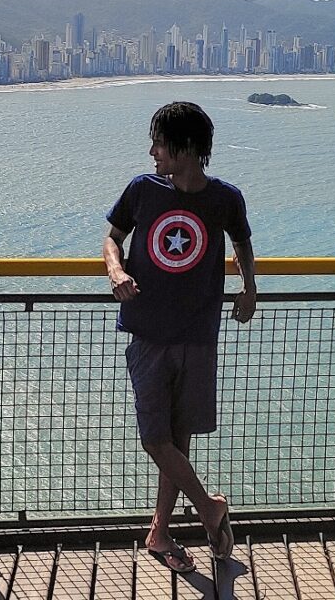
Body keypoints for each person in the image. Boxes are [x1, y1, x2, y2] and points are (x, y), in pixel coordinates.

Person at [103, 101, 257, 574]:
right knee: (155, 438)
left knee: (178, 436)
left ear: (187, 148)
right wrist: (115, 270)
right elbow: (112, 238)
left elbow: (243, 241)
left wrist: (250, 287)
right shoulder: (141, 190)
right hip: (147, 332)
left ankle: (160, 533)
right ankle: (210, 508)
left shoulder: (225, 199)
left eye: (160, 144)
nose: (153, 153)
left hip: (197, 334)